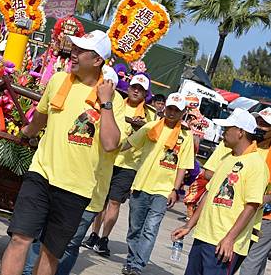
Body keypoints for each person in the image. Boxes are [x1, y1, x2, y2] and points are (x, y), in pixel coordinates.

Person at [0, 30, 124, 275]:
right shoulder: (58, 81)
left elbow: (111, 144)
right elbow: (40, 119)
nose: (72, 54)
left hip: (76, 188)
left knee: (50, 253)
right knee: (19, 239)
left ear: (97, 60)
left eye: (80, 51)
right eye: (73, 49)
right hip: (41, 175)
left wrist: (106, 102)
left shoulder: (114, 101)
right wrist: (26, 132)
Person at [22, 65, 123, 275]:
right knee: (35, 239)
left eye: (107, 84)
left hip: (89, 192)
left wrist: (107, 103)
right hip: (56, 181)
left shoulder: (115, 107)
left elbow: (113, 143)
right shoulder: (69, 89)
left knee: (65, 246)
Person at [172, 108, 268, 275]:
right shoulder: (227, 158)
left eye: (227, 129)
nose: (223, 133)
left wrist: (229, 238)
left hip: (223, 244)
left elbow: (251, 206)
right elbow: (209, 195)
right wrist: (189, 226)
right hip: (203, 236)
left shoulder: (256, 165)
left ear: (240, 132)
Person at [121, 92, 195, 275]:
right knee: (135, 228)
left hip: (163, 190)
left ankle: (138, 265)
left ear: (183, 112)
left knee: (150, 229)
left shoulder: (186, 137)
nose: (171, 113)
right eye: (169, 108)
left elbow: (183, 167)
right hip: (141, 185)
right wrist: (109, 147)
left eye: (176, 110)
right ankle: (130, 261)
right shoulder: (151, 127)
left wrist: (174, 190)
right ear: (164, 108)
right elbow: (130, 143)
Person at [85, 73, 157, 256]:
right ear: (129, 87)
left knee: (115, 201)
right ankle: (94, 233)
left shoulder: (151, 115)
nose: (136, 91)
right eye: (134, 87)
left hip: (129, 165)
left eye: (140, 89)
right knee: (101, 199)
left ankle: (104, 238)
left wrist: (141, 129)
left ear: (146, 93)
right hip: (109, 159)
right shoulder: (117, 103)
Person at [239, 107, 271, 275]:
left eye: (265, 124)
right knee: (256, 261)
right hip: (240, 210)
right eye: (258, 122)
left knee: (251, 261)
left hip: (265, 217)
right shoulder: (247, 146)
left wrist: (263, 199)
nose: (259, 127)